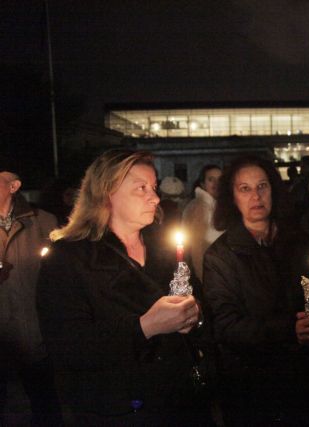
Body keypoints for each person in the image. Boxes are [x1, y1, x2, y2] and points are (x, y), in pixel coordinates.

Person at [36, 149, 212, 425]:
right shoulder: (69, 257)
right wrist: (144, 326)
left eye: (153, 187)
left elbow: (199, 298)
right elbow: (67, 345)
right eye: (140, 188)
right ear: (106, 193)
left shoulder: (165, 245)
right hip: (119, 409)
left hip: (181, 402)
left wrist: (195, 316)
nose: (154, 198)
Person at [202, 155, 309, 426]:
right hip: (251, 385)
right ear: (231, 197)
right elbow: (225, 325)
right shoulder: (220, 256)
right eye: (244, 188)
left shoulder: (299, 241)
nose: (255, 196)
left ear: (274, 190)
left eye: (262, 186)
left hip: (301, 378)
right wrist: (288, 329)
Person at [0, 158, 62, 426]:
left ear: (13, 186)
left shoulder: (44, 222)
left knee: (45, 406)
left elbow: (61, 277)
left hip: (34, 333)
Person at [182, 164, 224, 281]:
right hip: (209, 275)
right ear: (202, 184)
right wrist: (203, 279)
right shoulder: (200, 207)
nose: (216, 184)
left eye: (220, 180)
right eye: (211, 180)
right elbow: (197, 246)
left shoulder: (214, 205)